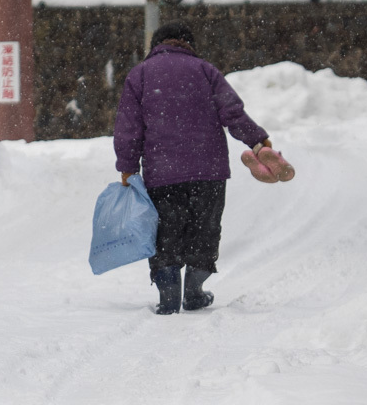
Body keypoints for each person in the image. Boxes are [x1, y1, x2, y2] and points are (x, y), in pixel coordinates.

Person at [113, 22, 276, 314]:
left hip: (162, 173)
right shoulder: (205, 70)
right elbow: (232, 112)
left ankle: (168, 296)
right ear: (188, 43)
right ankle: (194, 292)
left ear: (157, 44)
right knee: (205, 230)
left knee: (166, 233)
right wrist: (257, 140)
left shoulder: (139, 75)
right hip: (208, 170)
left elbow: (129, 128)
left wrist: (127, 166)